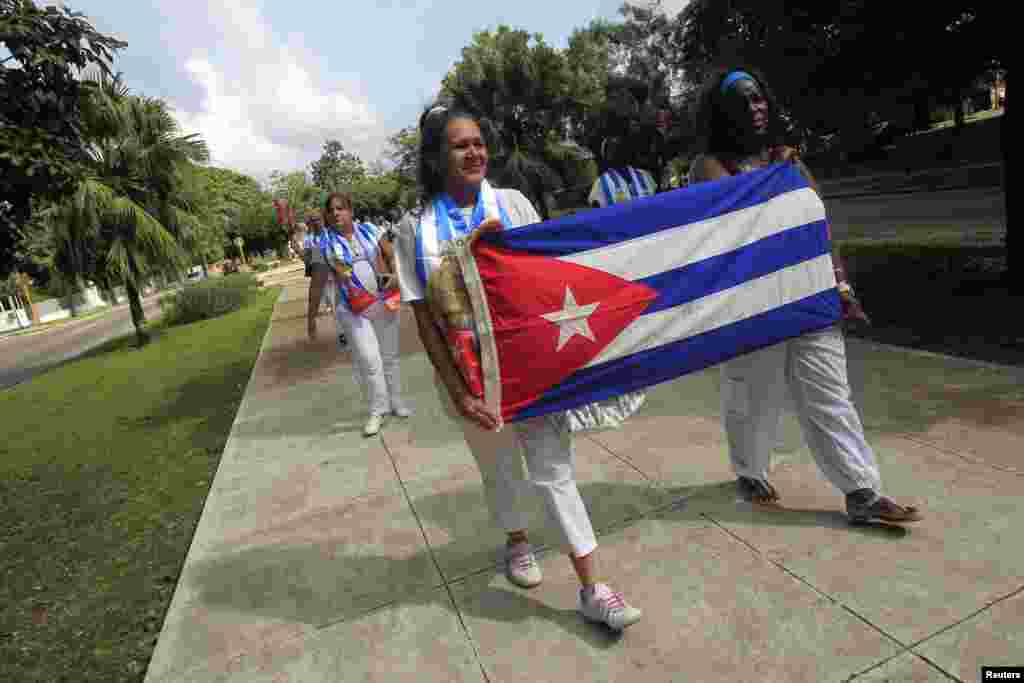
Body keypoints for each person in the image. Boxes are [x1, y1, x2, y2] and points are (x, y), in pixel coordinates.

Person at [393, 104, 642, 631]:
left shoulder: (512, 204)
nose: (475, 151)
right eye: (460, 145)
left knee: (553, 473)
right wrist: (459, 392)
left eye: (479, 142)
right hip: (470, 380)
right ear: (437, 158)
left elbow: (547, 281)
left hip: (531, 371)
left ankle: (594, 586)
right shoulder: (414, 229)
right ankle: (517, 540)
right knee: (499, 469)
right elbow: (424, 320)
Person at [688, 67, 923, 524]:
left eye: (759, 99)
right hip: (752, 305)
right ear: (722, 112)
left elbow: (817, 218)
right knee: (753, 397)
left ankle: (862, 492)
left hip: (808, 295)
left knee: (829, 394)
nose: (756, 108)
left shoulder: (787, 159)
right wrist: (778, 174)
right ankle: (749, 471)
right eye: (743, 101)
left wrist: (841, 282)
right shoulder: (710, 165)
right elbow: (736, 223)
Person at [321, 191, 409, 437]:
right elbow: (334, 274)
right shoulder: (326, 243)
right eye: (332, 210)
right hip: (353, 309)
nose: (336, 213)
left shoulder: (370, 230)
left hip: (383, 301)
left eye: (341, 208)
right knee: (370, 360)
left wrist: (394, 275)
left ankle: (396, 401)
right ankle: (376, 410)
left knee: (389, 356)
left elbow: (391, 254)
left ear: (350, 211)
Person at [302, 209, 345, 346]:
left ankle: (344, 332)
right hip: (324, 278)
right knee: (334, 305)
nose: (316, 222)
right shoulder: (310, 240)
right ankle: (342, 333)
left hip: (340, 275)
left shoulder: (332, 233)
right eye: (313, 220)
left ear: (323, 219)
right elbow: (309, 261)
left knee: (342, 304)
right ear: (310, 223)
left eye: (318, 219)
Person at [588, 136, 658, 209]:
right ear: (606, 155)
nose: (617, 150)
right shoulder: (601, 183)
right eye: (612, 148)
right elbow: (596, 213)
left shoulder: (645, 176)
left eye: (620, 147)